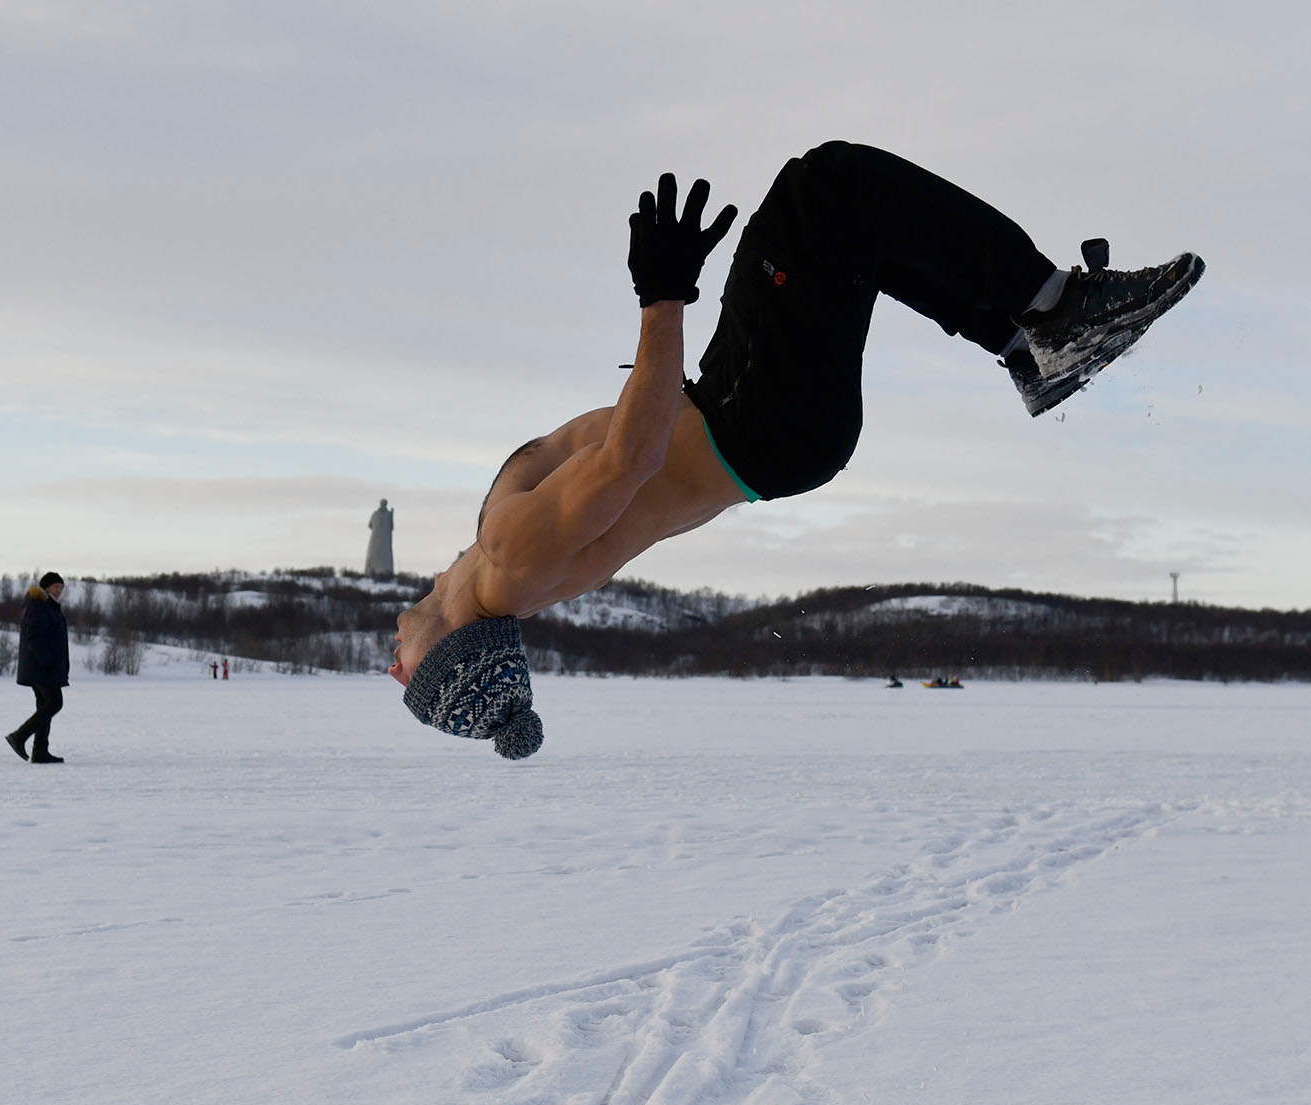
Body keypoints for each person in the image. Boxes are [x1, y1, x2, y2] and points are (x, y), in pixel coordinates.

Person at [392, 141, 1204, 758]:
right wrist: (662, 295)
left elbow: (618, 449)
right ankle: (1056, 313)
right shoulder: (512, 566)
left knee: (848, 228)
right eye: (408, 681)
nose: (391, 667)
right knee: (827, 190)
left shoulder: (495, 552)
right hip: (757, 422)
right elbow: (626, 461)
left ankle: (1030, 343)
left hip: (741, 407)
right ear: (450, 652)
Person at [6, 571, 69, 764]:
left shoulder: (49, 607)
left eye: (61, 587)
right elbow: (33, 636)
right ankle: (19, 736)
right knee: (54, 703)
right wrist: (46, 661)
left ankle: (40, 751)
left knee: (45, 705)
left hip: (45, 667)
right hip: (41, 668)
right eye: (55, 586)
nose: (58, 590)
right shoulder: (39, 606)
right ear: (46, 587)